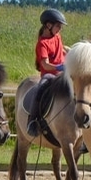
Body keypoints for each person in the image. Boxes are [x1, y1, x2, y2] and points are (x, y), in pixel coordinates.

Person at [27, 8, 67, 137]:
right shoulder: (42, 44)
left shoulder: (57, 37)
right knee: (40, 88)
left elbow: (62, 51)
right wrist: (60, 67)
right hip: (50, 75)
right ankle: (32, 121)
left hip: (63, 72)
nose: (59, 29)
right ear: (48, 25)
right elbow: (45, 65)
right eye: (58, 26)